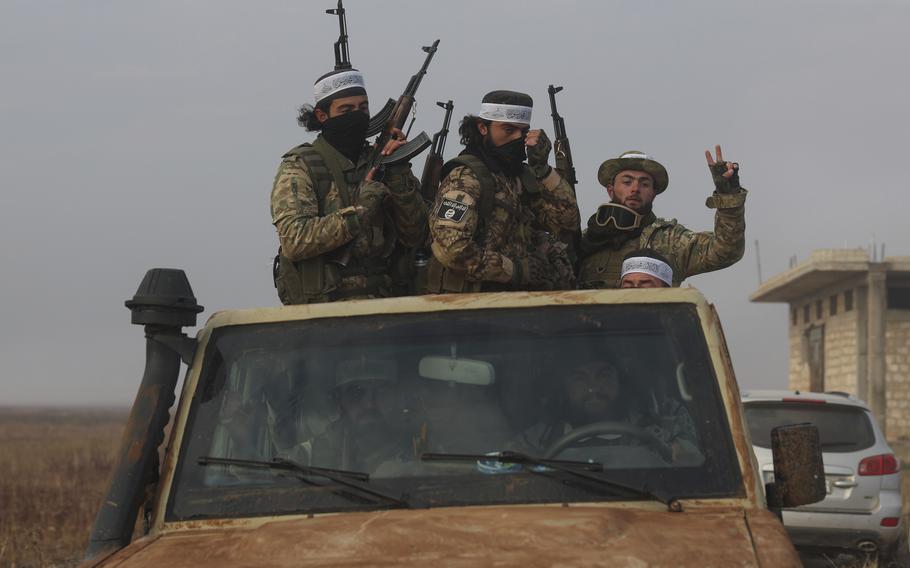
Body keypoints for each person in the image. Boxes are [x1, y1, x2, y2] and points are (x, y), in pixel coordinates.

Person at [270, 66, 428, 304]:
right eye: (346, 109)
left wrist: (398, 170)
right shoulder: (301, 165)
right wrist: (362, 210)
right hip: (328, 309)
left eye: (363, 108)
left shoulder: (382, 161)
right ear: (323, 116)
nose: (357, 115)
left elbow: (416, 234)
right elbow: (295, 240)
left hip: (388, 301)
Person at [425, 90, 579, 293]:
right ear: (482, 128)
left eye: (523, 132)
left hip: (514, 303)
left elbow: (567, 223)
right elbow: (451, 247)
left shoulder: (520, 176)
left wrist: (542, 168)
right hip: (468, 305)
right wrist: (514, 269)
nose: (517, 138)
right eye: (508, 130)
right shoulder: (466, 178)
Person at [577, 146, 746, 288]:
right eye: (627, 182)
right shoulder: (585, 242)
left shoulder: (670, 240)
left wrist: (728, 195)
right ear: (610, 190)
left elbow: (726, 251)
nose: (635, 189)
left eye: (644, 184)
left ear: (653, 193)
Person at [518, 358, 698, 463]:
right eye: (580, 378)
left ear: (620, 380)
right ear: (564, 387)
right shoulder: (540, 438)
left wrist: (679, 453)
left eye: (603, 375)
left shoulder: (663, 425)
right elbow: (511, 462)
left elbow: (695, 464)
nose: (593, 388)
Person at [307, 357, 412, 473]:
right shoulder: (322, 447)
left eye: (381, 391)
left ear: (396, 397)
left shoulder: (415, 441)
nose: (369, 404)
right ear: (340, 400)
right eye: (356, 392)